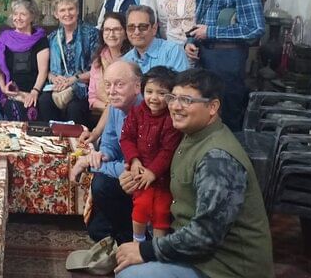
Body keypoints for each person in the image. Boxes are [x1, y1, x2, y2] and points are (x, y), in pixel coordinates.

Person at [114, 69, 274, 278]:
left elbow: (205, 236)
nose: (175, 106)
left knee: (130, 274)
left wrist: (146, 251)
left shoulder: (217, 159)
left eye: (186, 100)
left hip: (224, 268)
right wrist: (133, 178)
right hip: (197, 253)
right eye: (172, 98)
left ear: (212, 107)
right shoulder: (190, 135)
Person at [185, 0, 265, 131]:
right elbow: (200, 22)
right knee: (204, 114)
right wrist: (191, 42)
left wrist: (211, 32)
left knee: (226, 115)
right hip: (204, 56)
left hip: (227, 59)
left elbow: (255, 28)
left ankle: (228, 151)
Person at [70, 60, 142, 245]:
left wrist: (92, 165)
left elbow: (134, 170)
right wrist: (103, 155)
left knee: (101, 184)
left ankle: (133, 240)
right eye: (108, 85)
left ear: (137, 86)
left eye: (119, 85)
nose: (111, 91)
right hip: (122, 173)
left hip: (140, 181)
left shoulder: (145, 114)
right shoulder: (116, 106)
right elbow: (110, 142)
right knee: (96, 231)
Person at [119, 66, 182, 242]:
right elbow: (126, 138)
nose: (154, 97)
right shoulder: (136, 112)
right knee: (141, 205)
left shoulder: (171, 119)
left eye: (161, 93)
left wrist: (153, 172)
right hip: (140, 172)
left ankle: (158, 246)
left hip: (163, 177)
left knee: (162, 210)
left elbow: (168, 150)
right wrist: (134, 160)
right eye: (149, 92)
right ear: (142, 91)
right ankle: (137, 241)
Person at [39, 0, 99, 128]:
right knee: (44, 101)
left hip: (83, 86)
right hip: (58, 87)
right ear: (56, 14)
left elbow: (97, 69)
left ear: (77, 11)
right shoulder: (52, 38)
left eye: (71, 9)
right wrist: (54, 78)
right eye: (62, 10)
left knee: (74, 108)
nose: (67, 14)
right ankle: (53, 137)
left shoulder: (91, 34)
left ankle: (75, 139)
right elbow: (46, 70)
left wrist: (74, 79)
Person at [79, 12, 131, 146]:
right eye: (107, 29)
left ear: (125, 33)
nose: (111, 34)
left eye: (116, 29)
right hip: (100, 115)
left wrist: (114, 108)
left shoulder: (131, 60)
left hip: (126, 118)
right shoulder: (98, 60)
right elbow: (92, 99)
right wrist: (110, 107)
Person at [0, 0, 49, 121]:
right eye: (15, 14)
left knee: (31, 112)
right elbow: (0, 70)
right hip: (11, 91)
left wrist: (34, 91)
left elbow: (43, 71)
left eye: (23, 14)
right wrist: (3, 88)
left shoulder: (40, 39)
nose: (18, 18)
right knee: (13, 108)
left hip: (34, 90)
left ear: (32, 17)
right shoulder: (5, 38)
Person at [123, 6, 189, 73]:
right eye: (131, 27)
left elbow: (183, 79)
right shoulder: (125, 61)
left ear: (154, 29)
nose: (137, 32)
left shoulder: (172, 52)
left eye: (143, 27)